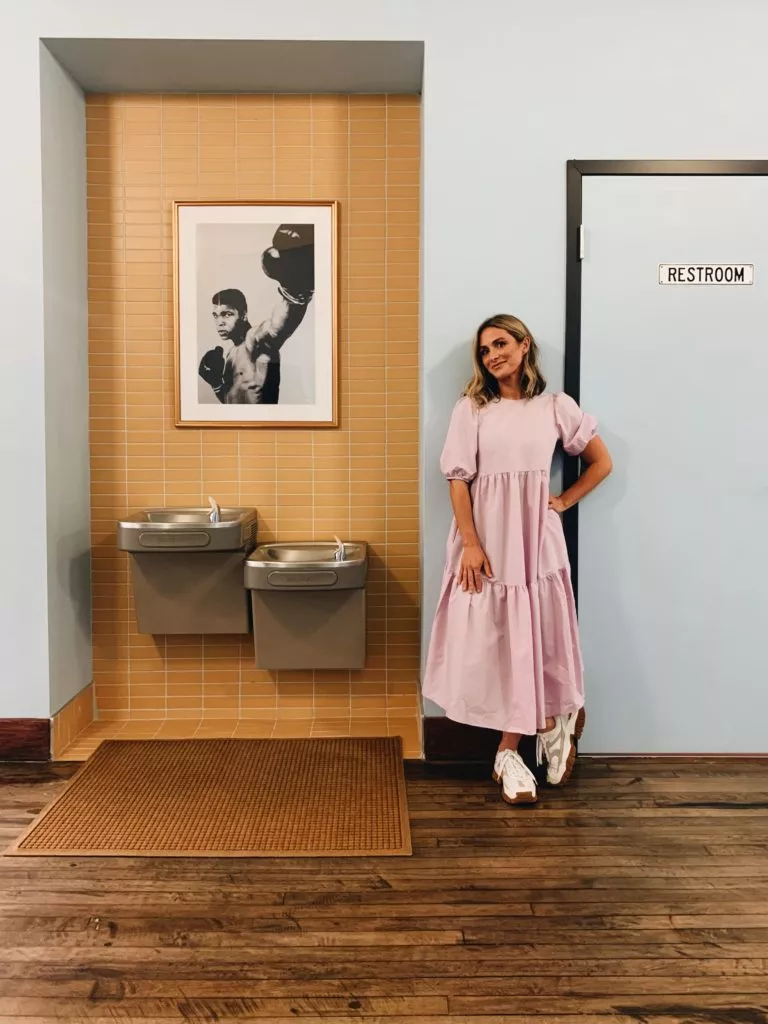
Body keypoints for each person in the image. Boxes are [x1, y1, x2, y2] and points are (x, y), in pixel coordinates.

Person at [423, 314, 612, 806]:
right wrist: (470, 542)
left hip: (535, 540)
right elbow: (458, 480)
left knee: (536, 636)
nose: (493, 355)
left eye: (501, 343)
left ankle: (511, 750)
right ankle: (547, 723)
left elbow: (601, 462)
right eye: (485, 350)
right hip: (487, 539)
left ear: (524, 345)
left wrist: (563, 501)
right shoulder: (473, 408)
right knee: (494, 643)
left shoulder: (555, 407)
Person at [198, 224, 314, 404]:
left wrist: (296, 289)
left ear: (243, 314)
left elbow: (276, 327)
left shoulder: (254, 341)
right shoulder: (230, 356)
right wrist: (217, 385)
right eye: (216, 315)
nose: (219, 322)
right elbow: (234, 401)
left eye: (227, 314)